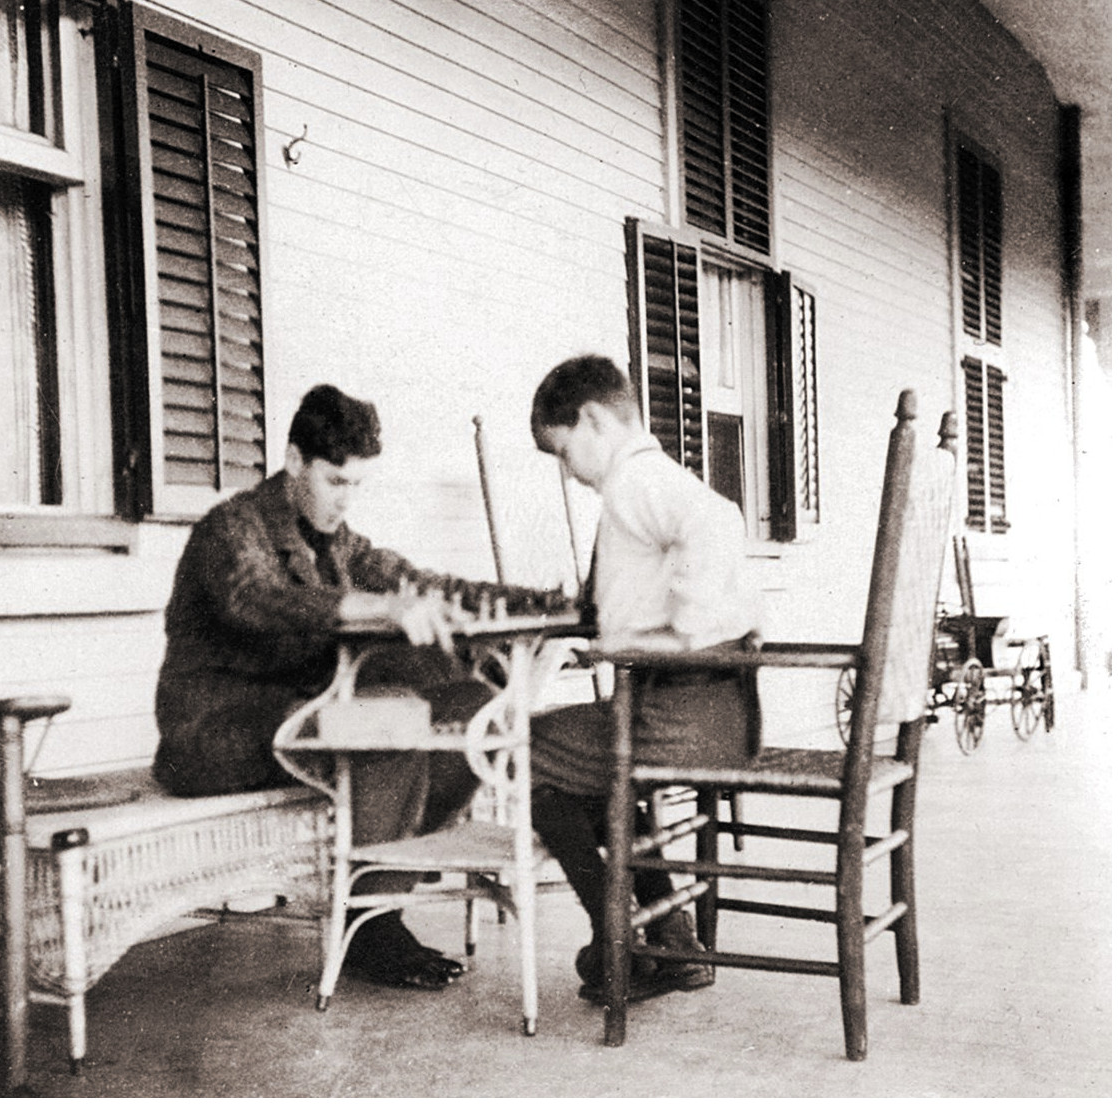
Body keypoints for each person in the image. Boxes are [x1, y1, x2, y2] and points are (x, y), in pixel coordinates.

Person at [154, 383, 560, 992]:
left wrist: (538, 602)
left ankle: (374, 897)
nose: (346, 501)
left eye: (358, 485)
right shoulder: (231, 529)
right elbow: (261, 598)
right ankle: (372, 923)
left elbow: (421, 583)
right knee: (384, 718)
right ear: (295, 462)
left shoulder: (339, 543)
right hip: (215, 732)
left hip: (301, 716)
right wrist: (375, 607)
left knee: (474, 705)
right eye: (335, 482)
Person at [526, 354, 764, 1005]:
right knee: (585, 772)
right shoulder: (639, 484)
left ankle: (617, 940)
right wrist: (615, 640)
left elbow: (719, 522)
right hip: (707, 711)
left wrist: (679, 632)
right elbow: (625, 604)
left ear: (595, 421)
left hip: (684, 713)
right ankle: (672, 937)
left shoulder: (635, 482)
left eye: (563, 449)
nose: (566, 470)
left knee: (521, 754)